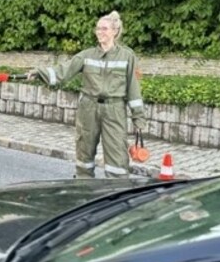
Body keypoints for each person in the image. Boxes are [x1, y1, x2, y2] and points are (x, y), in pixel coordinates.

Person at [26, 11, 146, 178]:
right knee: (84, 151)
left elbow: (133, 89)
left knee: (117, 154)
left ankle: (115, 190)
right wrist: (40, 73)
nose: (100, 32)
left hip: (115, 110)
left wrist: (138, 118)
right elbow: (64, 71)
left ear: (115, 31)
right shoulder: (87, 55)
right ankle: (83, 184)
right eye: (98, 28)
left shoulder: (127, 56)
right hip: (88, 108)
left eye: (104, 28)